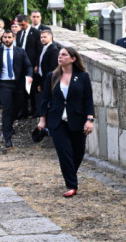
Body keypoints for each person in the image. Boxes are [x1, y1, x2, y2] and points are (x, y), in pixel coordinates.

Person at [37, 47, 94, 198]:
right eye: (59, 55)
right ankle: (71, 185)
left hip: (77, 120)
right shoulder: (52, 76)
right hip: (57, 122)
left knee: (78, 152)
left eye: (64, 55)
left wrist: (89, 120)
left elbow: (88, 99)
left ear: (73, 58)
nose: (60, 57)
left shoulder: (82, 76)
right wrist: (42, 120)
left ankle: (70, 174)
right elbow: (45, 99)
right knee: (64, 153)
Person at [0, 30, 33, 148]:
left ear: (13, 38)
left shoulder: (21, 52)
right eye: (5, 37)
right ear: (2, 39)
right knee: (7, 109)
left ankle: (8, 125)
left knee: (17, 108)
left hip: (18, 84)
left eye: (9, 37)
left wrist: (29, 76)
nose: (7, 40)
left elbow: (28, 66)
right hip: (4, 84)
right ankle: (7, 137)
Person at [15, 14, 42, 118]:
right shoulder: (19, 33)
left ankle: (35, 110)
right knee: (22, 89)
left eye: (22, 24)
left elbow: (39, 50)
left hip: (32, 64)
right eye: (19, 25)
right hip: (21, 65)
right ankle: (24, 111)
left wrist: (37, 65)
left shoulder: (36, 33)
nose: (21, 26)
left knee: (33, 88)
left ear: (27, 21)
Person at [36, 30, 60, 114]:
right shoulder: (44, 48)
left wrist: (47, 83)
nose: (42, 39)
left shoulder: (53, 50)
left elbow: (53, 68)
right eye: (41, 37)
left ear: (51, 37)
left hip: (49, 81)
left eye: (45, 37)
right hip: (43, 80)